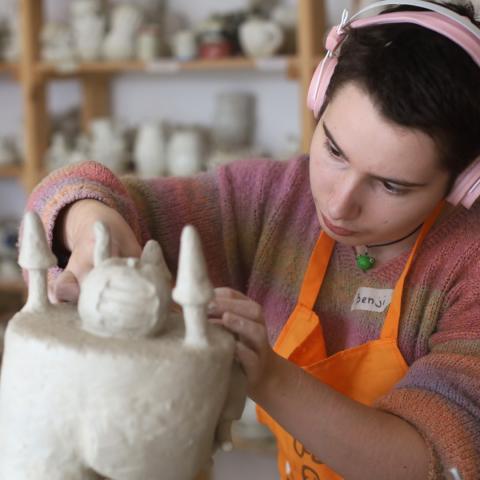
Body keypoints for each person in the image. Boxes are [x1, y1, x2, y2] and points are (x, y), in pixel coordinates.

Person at [26, 1, 480, 478]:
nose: (340, 203)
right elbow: (72, 189)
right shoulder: (274, 201)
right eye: (333, 150)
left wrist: (271, 376)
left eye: (391, 185)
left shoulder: (467, 266)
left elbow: (437, 464)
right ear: (319, 98)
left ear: (463, 182)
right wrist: (101, 230)